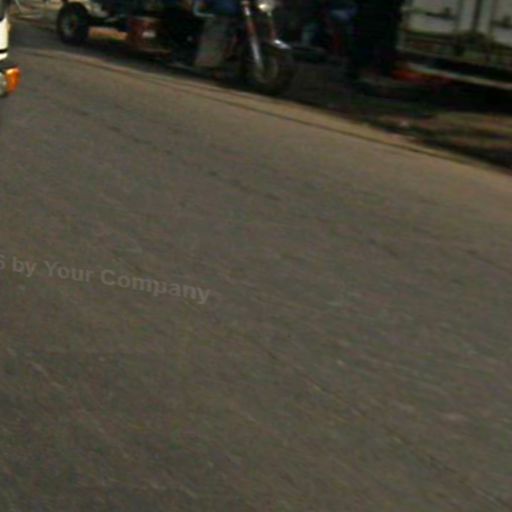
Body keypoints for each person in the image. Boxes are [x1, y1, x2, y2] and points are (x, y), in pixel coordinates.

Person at [345, 0, 404, 81]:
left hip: (368, 15)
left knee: (363, 45)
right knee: (380, 44)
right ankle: (380, 70)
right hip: (384, 16)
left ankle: (357, 69)